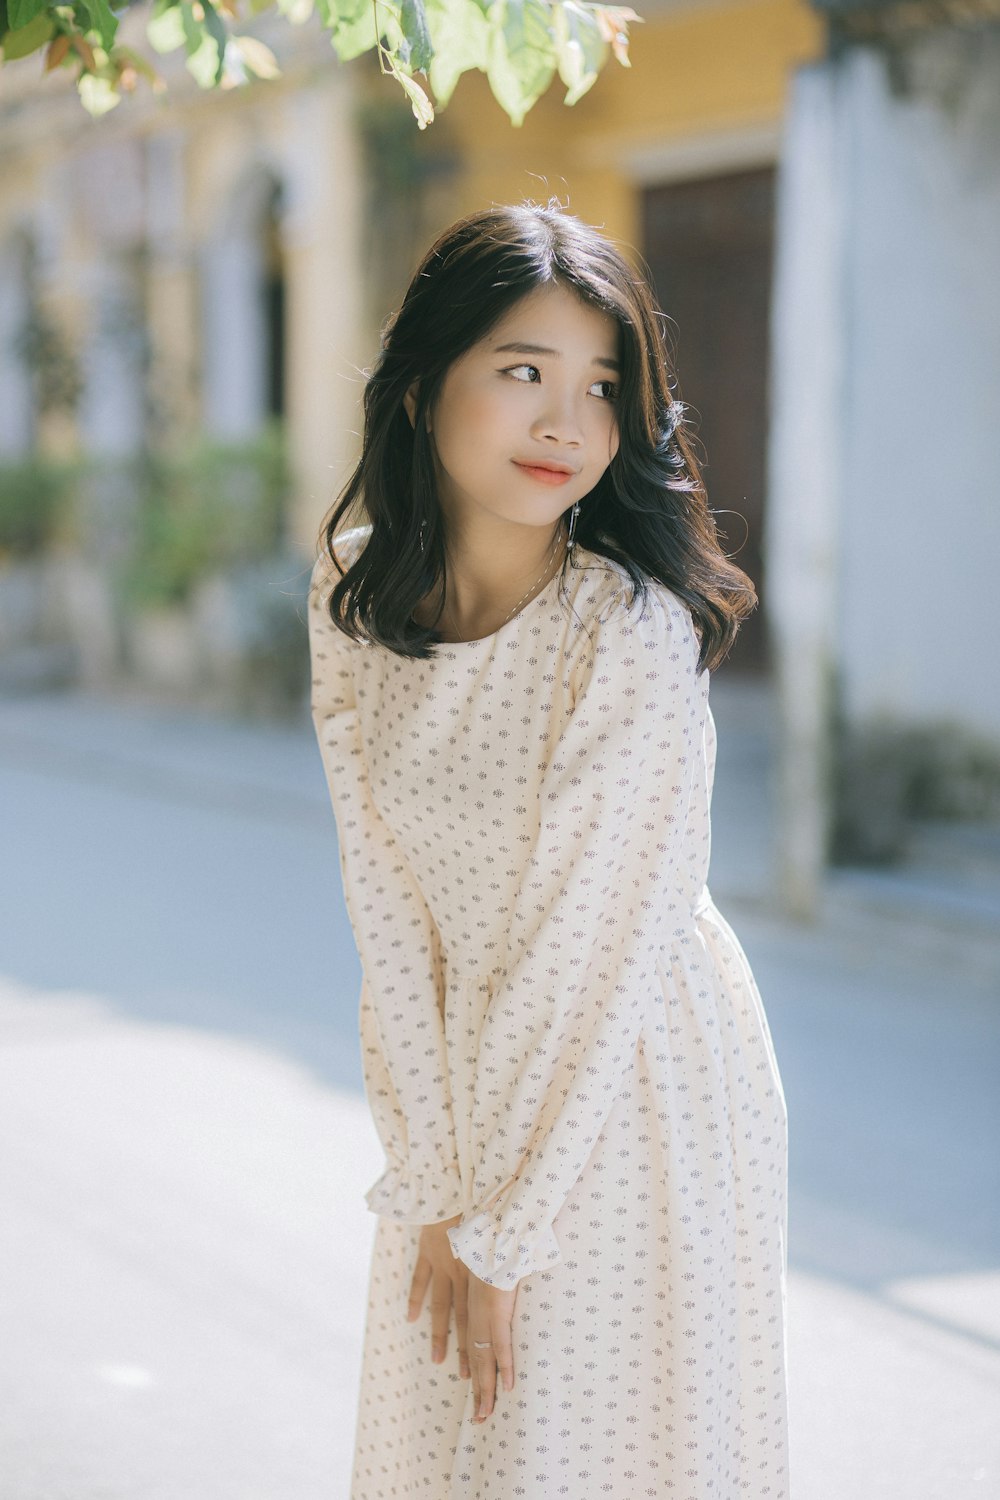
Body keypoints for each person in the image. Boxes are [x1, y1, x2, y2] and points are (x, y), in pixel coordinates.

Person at [307, 200, 789, 1499]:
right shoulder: (354, 595)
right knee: (449, 1439)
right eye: (523, 371)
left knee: (560, 1446)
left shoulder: (621, 629)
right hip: (474, 1077)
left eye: (602, 385)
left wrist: (507, 1220)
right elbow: (387, 905)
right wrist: (437, 1172)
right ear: (421, 389)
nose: (567, 424)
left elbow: (591, 945)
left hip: (624, 1068)